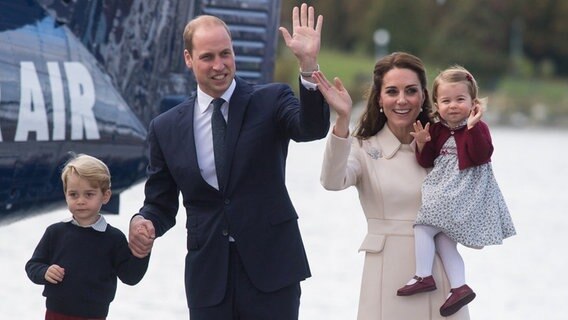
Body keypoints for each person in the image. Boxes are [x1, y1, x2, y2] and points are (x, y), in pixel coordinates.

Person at [127, 3, 329, 319]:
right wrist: (143, 221)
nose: (219, 65)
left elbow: (311, 128)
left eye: (226, 54)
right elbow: (160, 204)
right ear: (189, 59)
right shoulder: (165, 128)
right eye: (208, 57)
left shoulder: (271, 100)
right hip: (208, 278)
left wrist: (308, 66)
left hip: (272, 271)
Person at [315, 52, 470, 319]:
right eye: (391, 91)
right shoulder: (363, 148)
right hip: (387, 282)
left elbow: (471, 204)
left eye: (411, 91)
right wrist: (341, 119)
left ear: (423, 96)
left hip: (443, 283)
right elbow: (331, 181)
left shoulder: (447, 147)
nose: (401, 100)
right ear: (379, 98)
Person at [397, 66, 516, 316]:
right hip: (446, 191)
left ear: (473, 103)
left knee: (423, 226)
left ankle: (423, 275)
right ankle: (459, 287)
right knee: (443, 240)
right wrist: (421, 143)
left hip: (462, 192)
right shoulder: (438, 129)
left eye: (460, 99)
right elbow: (426, 161)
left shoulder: (478, 127)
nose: (453, 106)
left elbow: (481, 155)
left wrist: (472, 127)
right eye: (446, 100)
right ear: (437, 103)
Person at [25, 154, 149, 320]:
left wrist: (143, 249)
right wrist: (45, 271)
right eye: (73, 194)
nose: (80, 201)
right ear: (65, 194)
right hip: (55, 314)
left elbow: (131, 276)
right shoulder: (55, 232)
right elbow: (33, 265)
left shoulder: (114, 238)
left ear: (105, 195)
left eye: (89, 194)